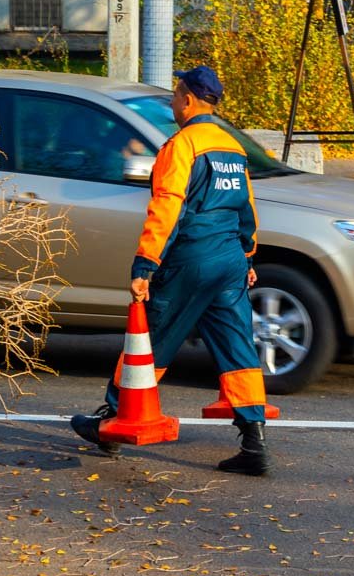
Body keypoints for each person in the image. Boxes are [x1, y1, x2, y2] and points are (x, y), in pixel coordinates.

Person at [70, 65, 271, 476]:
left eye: (177, 95)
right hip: (230, 260)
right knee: (237, 349)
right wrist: (247, 258)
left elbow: (167, 208)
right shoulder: (231, 146)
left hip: (191, 259)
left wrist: (145, 265)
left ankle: (111, 419)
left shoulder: (182, 145)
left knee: (153, 337)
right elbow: (246, 209)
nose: (174, 102)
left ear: (190, 100)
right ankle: (254, 443)